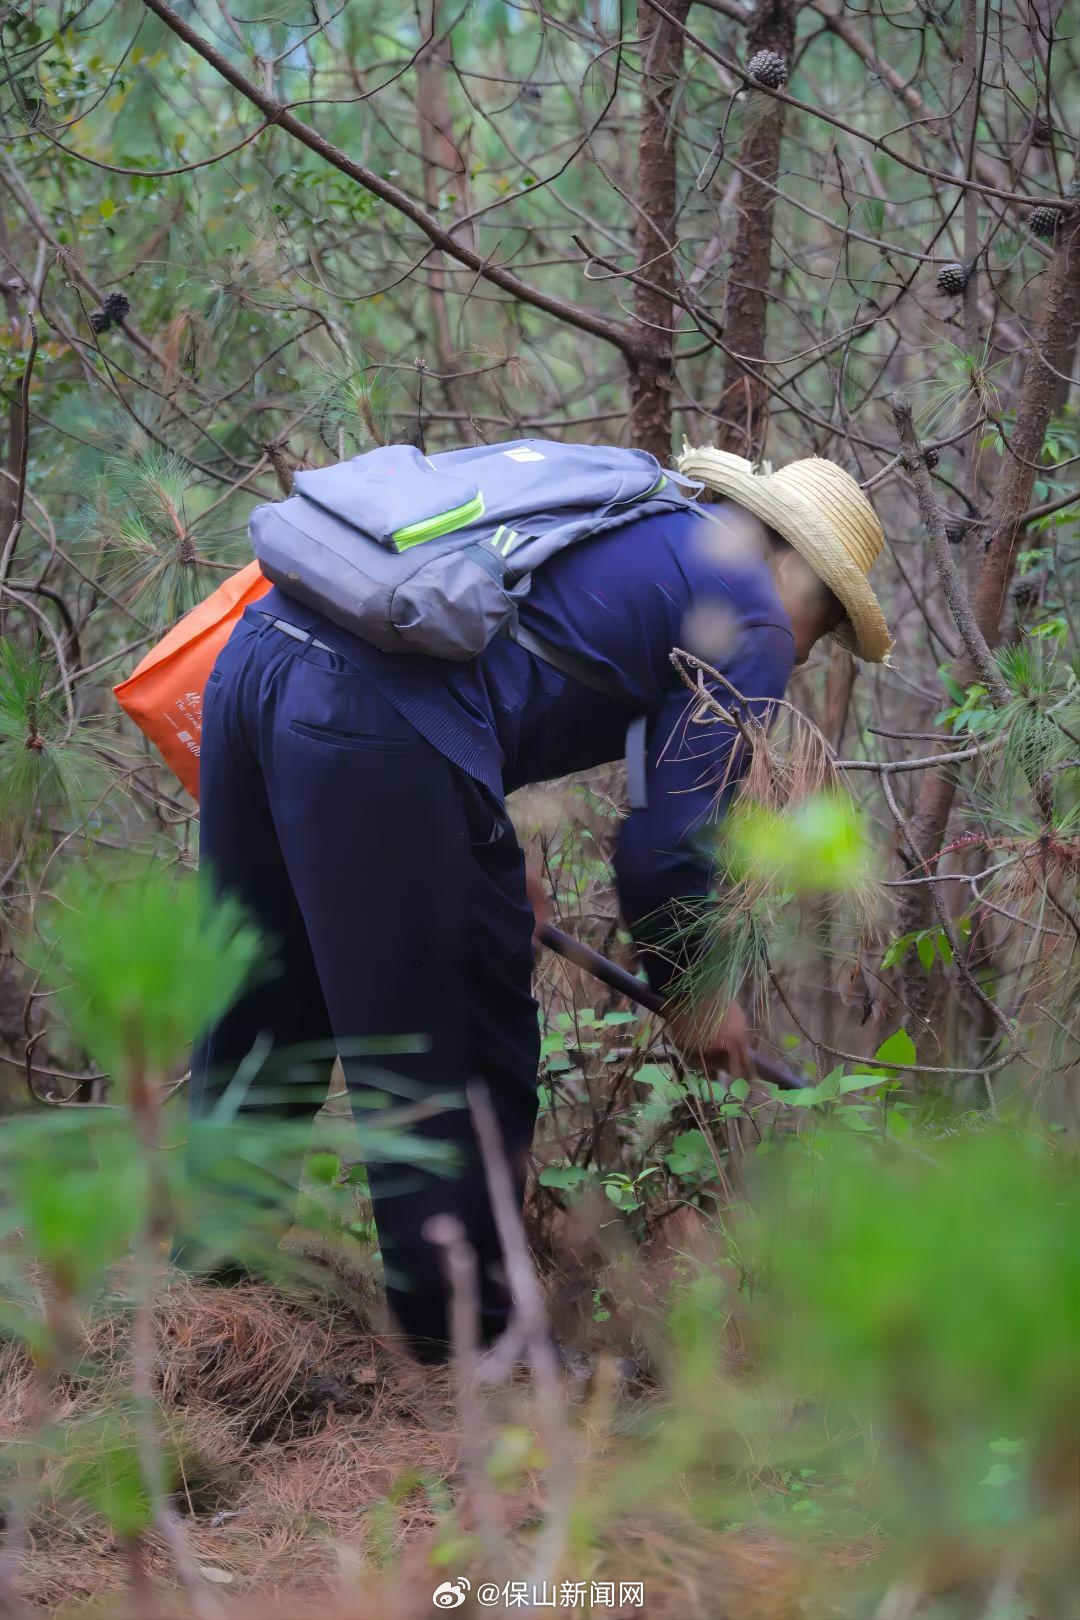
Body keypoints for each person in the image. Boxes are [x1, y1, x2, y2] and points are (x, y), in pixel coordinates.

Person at [188, 443, 893, 1361]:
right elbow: (664, 849)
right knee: (464, 1038)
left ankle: (205, 1286)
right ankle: (467, 1345)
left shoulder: (635, 520)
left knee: (265, 992)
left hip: (255, 659)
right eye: (824, 623)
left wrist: (477, 824)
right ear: (796, 566)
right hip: (368, 723)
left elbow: (500, 651)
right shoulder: (751, 611)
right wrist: (695, 988)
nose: (804, 649)